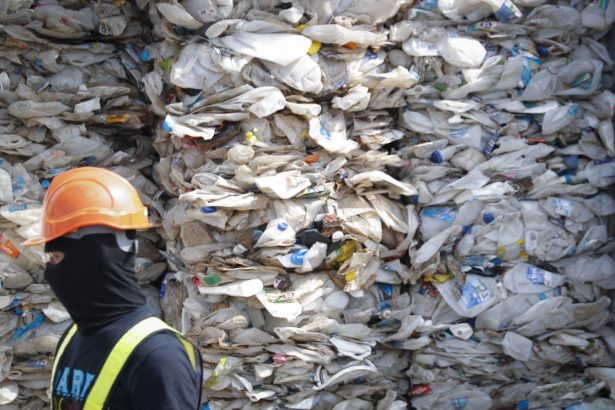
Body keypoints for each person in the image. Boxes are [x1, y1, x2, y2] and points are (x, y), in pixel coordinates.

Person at [22, 167, 202, 410]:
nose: (52, 273)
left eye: (56, 258)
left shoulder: (157, 356)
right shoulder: (73, 337)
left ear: (94, 258)